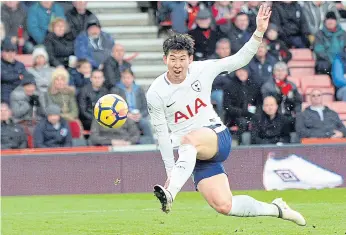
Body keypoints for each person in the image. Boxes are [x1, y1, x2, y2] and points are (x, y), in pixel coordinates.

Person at [146, 5, 306, 226]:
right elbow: (162, 135)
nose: (177, 65)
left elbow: (239, 59)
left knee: (188, 140)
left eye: (182, 59)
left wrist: (259, 32)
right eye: (173, 59)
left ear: (190, 59)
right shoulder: (155, 92)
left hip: (216, 136)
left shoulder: (203, 69)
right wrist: (170, 172)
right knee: (225, 205)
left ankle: (171, 194)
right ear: (165, 59)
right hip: (193, 155)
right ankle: (277, 209)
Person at [112, 69, 155, 144]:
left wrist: (140, 115)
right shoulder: (116, 90)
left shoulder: (139, 89)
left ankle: (151, 144)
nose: (126, 80)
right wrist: (127, 115)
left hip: (138, 116)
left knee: (145, 123)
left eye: (128, 78)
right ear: (121, 79)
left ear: (133, 78)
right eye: (124, 78)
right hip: (124, 118)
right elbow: (114, 109)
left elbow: (146, 107)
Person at [223, 66, 262, 143]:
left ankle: (255, 145)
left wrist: (255, 113)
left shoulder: (254, 85)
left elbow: (259, 103)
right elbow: (227, 106)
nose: (241, 73)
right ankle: (241, 147)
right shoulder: (229, 86)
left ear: (248, 72)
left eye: (244, 71)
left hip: (252, 115)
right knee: (242, 123)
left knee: (258, 122)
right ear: (236, 72)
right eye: (239, 71)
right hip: (234, 117)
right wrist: (242, 112)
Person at [1, 38, 28, 104]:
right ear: (2, 52)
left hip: (19, 89)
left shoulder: (20, 65)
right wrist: (18, 77)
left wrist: (11, 77)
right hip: (5, 91)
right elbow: (4, 77)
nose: (10, 54)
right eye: (7, 51)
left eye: (12, 51)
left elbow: (26, 77)